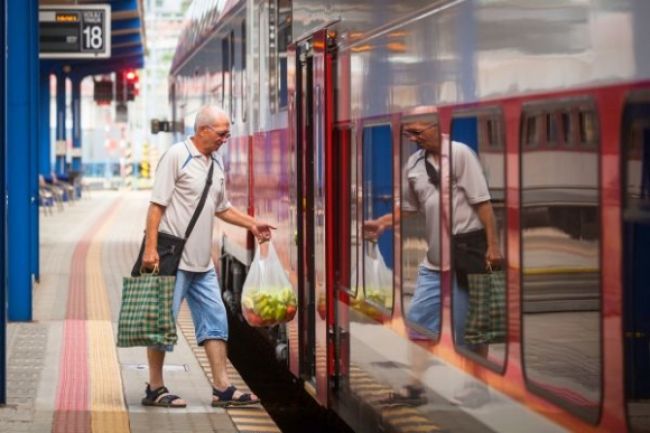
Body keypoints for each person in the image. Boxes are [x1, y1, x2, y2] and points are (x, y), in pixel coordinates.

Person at [140, 105, 275, 408]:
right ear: (203, 130)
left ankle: (223, 388)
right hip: (172, 259)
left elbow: (221, 207)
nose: (226, 138)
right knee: (162, 323)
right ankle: (155, 387)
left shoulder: (215, 164)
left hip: (202, 264)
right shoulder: (177, 156)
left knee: (215, 322)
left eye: (228, 133)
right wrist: (151, 249)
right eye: (222, 133)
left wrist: (252, 223)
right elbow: (156, 206)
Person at [365, 116, 502, 406]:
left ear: (437, 126)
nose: (413, 138)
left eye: (417, 132)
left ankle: (477, 387)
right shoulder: (414, 166)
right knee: (417, 322)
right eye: (408, 134)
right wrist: (384, 222)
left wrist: (493, 246)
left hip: (469, 253)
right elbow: (408, 209)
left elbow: (483, 204)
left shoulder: (461, 154)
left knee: (472, 327)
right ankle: (414, 389)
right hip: (435, 261)